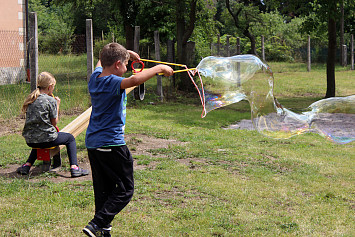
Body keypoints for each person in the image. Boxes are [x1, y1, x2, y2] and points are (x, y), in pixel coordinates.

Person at [82, 43, 173, 237]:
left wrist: (127, 54)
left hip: (93, 144)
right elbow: (135, 79)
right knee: (125, 189)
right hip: (112, 144)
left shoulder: (95, 78)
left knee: (103, 190)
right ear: (116, 65)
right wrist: (159, 68)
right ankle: (96, 223)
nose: (126, 67)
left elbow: (101, 60)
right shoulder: (114, 82)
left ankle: (103, 230)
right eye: (124, 64)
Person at [16, 72, 89, 178]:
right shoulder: (50, 100)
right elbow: (54, 122)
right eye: (53, 87)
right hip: (46, 139)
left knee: (39, 137)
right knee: (70, 138)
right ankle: (74, 168)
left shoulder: (31, 98)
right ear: (50, 87)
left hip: (30, 140)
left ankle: (26, 165)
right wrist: (57, 104)